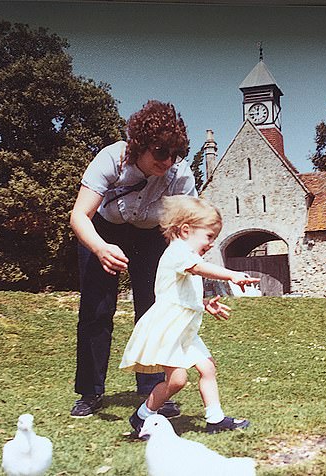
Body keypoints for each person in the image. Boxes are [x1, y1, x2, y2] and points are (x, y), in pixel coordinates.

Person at [69, 100, 196, 418]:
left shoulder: (179, 172)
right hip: (104, 229)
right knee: (96, 310)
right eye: (159, 152)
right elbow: (79, 216)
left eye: (174, 153)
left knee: (156, 309)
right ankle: (90, 393)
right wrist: (100, 248)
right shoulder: (111, 158)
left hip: (151, 234)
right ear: (139, 145)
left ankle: (155, 391)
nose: (167, 161)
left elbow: (187, 226)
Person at [119, 195, 260, 435]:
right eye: (209, 236)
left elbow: (180, 294)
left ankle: (215, 419)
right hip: (169, 329)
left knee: (207, 368)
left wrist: (204, 304)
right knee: (177, 381)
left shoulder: (186, 255)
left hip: (185, 329)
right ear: (185, 230)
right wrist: (231, 275)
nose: (212, 243)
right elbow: (197, 268)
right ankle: (143, 416)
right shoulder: (178, 253)